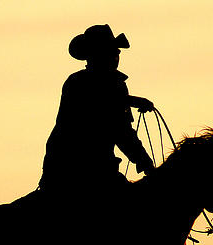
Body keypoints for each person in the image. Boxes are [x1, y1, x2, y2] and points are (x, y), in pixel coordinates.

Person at [39, 24, 155, 198]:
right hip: (76, 167)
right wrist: (145, 163)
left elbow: (116, 122)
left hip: (86, 166)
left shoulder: (108, 84)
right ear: (95, 55)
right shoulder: (79, 83)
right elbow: (116, 126)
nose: (115, 56)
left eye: (116, 52)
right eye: (110, 52)